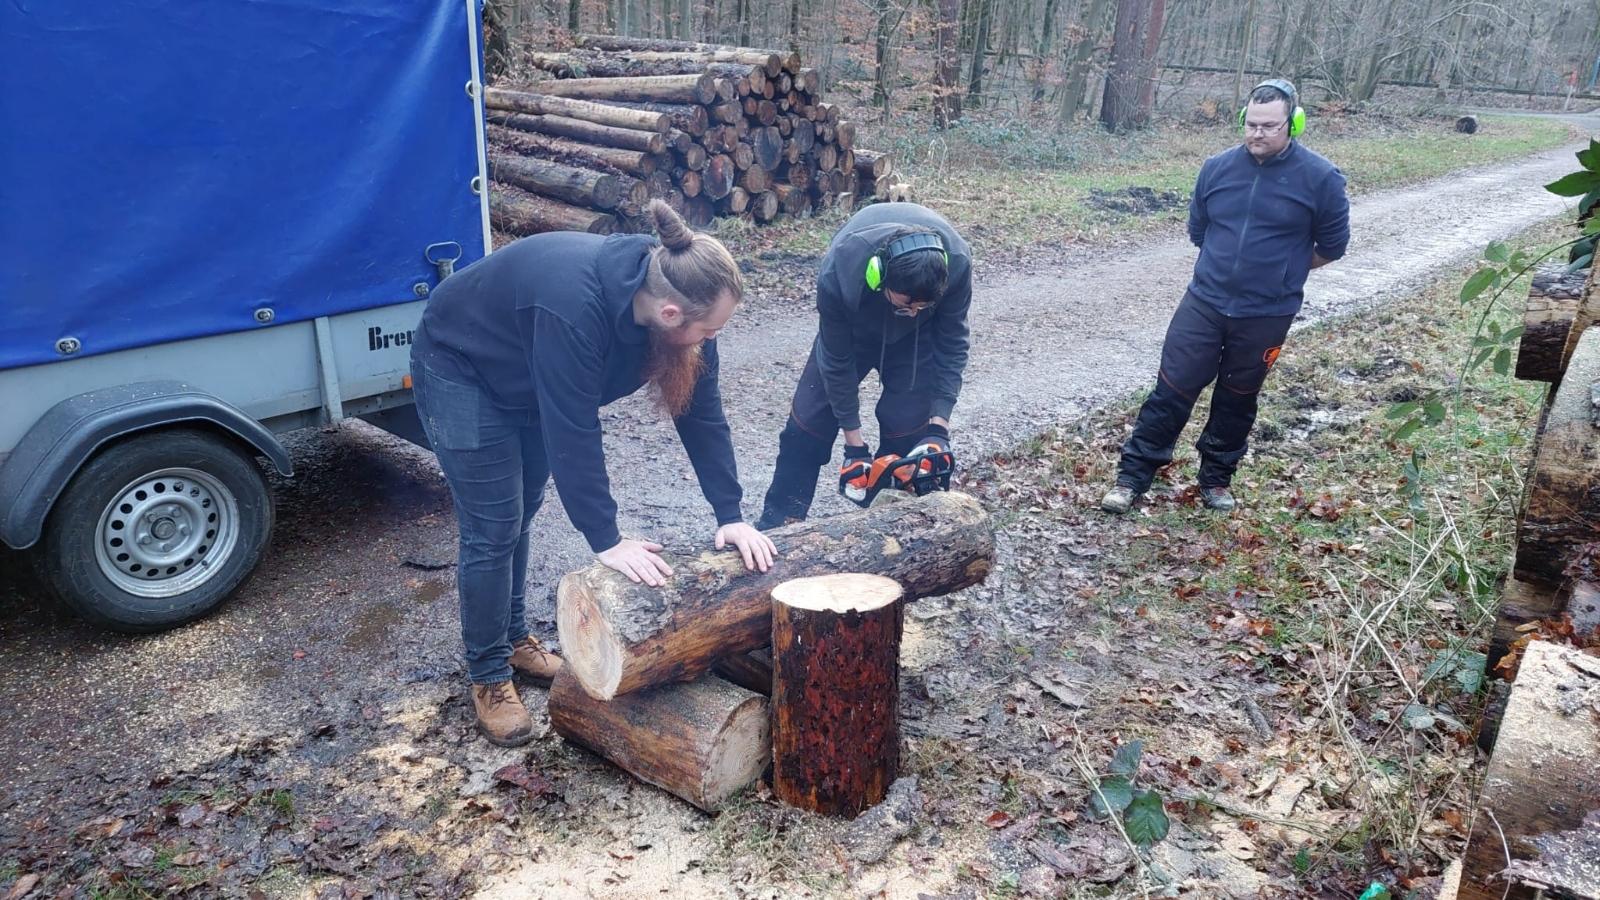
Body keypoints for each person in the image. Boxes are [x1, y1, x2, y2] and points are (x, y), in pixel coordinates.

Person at [409, 200, 777, 747]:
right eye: (709, 329)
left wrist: (731, 515)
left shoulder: (674, 309)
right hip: (462, 367)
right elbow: (572, 427)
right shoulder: (573, 307)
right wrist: (605, 538)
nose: (712, 339)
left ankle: (512, 638)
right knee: (492, 524)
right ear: (671, 314)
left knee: (523, 509)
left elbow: (702, 413)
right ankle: (488, 675)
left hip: (526, 374)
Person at [1101, 78, 1350, 515]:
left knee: (1238, 397)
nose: (1258, 133)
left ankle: (1216, 479)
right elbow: (1199, 230)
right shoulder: (1216, 168)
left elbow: (1332, 246)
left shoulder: (1321, 178)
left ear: (1293, 124)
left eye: (1270, 126)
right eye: (1251, 124)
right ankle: (1132, 477)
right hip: (1205, 302)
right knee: (1172, 390)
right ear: (1242, 121)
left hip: (1267, 313)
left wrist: (1282, 271)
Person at [754, 202, 973, 530]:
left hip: (917, 341)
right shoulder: (840, 270)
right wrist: (855, 448)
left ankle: (885, 532)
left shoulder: (956, 264)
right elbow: (837, 363)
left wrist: (938, 428)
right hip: (852, 331)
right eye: (905, 304)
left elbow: (952, 345)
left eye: (922, 306)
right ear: (878, 277)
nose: (913, 311)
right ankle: (779, 524)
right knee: (807, 425)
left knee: (907, 431)